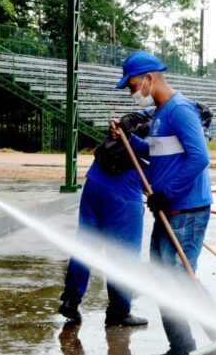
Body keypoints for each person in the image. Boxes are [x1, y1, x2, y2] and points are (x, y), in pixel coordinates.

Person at [114, 51, 212, 355]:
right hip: (169, 208)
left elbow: (200, 158)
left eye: (132, 86)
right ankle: (181, 348)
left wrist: (167, 193)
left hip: (185, 208)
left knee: (180, 279)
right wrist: (128, 139)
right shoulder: (161, 113)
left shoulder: (180, 110)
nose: (132, 93)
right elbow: (158, 152)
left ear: (148, 78)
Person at [57, 111, 150, 328]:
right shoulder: (165, 129)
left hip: (95, 183)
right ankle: (119, 312)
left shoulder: (139, 118)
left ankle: (70, 300)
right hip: (123, 192)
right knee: (123, 253)